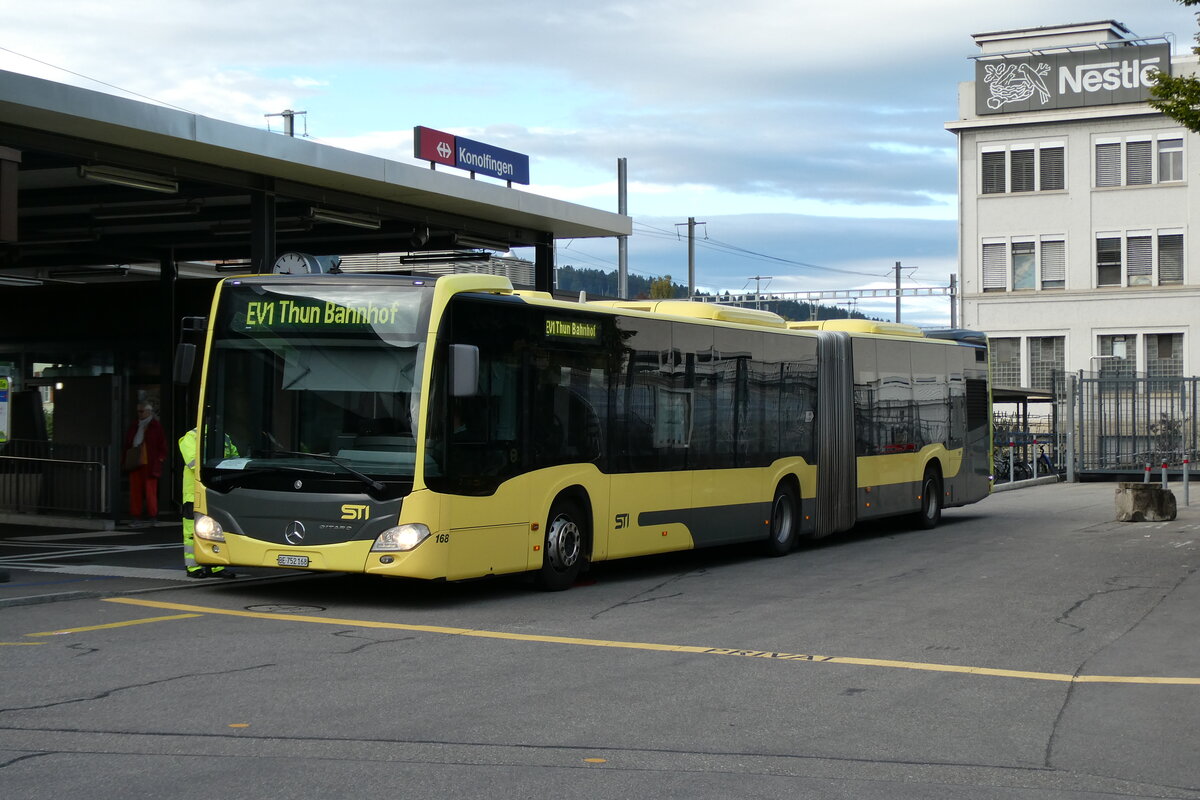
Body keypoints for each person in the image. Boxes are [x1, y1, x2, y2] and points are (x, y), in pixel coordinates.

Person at [178, 428, 235, 579]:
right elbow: (194, 464)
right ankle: (193, 566)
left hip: (212, 490)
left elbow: (235, 459)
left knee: (216, 530)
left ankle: (215, 565)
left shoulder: (223, 437)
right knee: (192, 531)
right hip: (195, 492)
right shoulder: (191, 437)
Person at [122, 401, 167, 526]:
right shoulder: (135, 425)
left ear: (148, 412)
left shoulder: (155, 426)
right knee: (136, 492)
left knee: (150, 491)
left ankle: (152, 516)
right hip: (136, 461)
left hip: (150, 463)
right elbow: (128, 443)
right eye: (138, 411)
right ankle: (137, 517)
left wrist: (159, 459)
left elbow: (162, 445)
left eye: (141, 411)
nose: (139, 414)